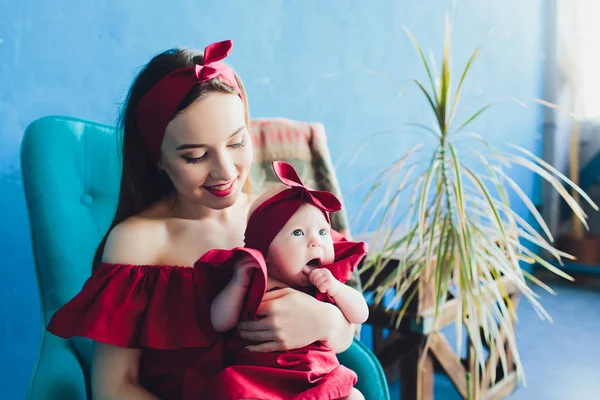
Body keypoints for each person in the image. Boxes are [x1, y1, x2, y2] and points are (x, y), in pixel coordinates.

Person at [45, 40, 357, 400]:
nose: (224, 171)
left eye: (237, 143)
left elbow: (339, 337)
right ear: (157, 159)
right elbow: (114, 387)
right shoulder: (139, 242)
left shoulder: (280, 219)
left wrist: (328, 321)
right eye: (194, 156)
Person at [201, 161, 368, 399]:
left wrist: (337, 289)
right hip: (260, 381)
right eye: (298, 233)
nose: (315, 242)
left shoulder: (324, 284)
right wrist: (238, 283)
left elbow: (360, 314)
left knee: (354, 397)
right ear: (265, 253)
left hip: (317, 377)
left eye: (322, 232)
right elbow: (220, 322)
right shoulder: (254, 281)